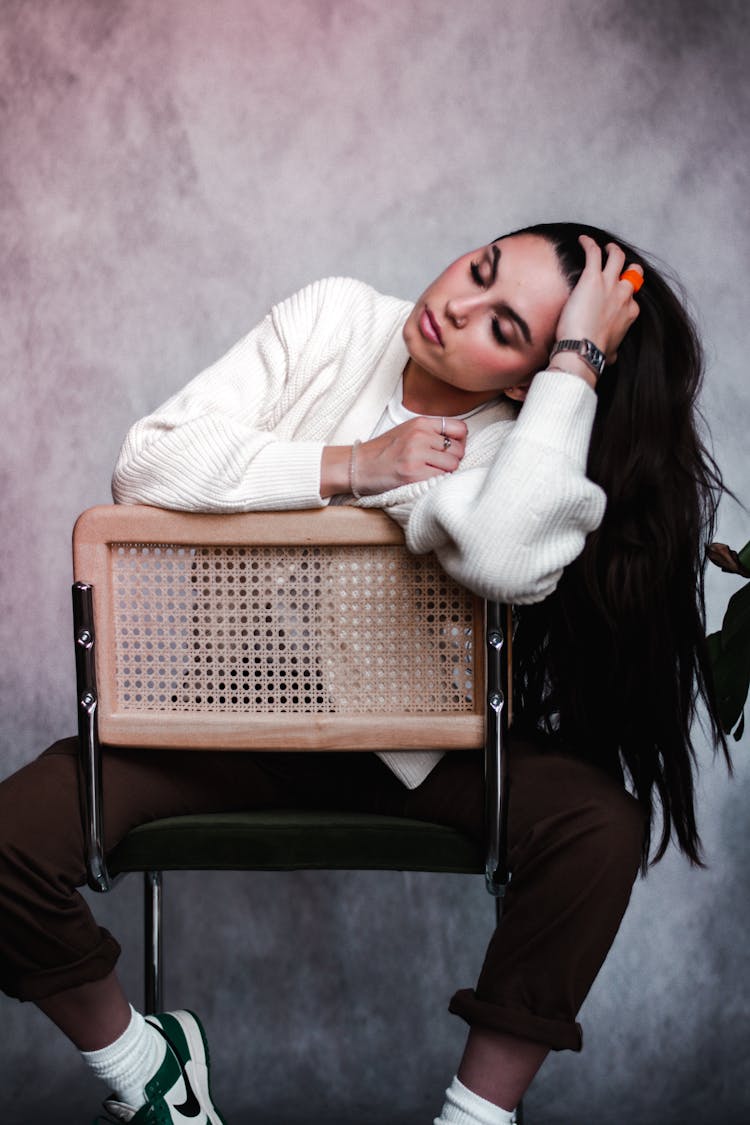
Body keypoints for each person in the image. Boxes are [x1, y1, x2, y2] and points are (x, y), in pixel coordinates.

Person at [0, 223, 726, 1125]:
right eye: (480, 268)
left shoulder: (516, 440)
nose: (457, 305)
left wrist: (574, 362)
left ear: (521, 377)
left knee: (599, 827)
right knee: (8, 837)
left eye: (505, 328)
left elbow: (504, 554)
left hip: (409, 756)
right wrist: (351, 468)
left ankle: (474, 1115)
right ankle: (146, 1067)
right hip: (223, 729)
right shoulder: (336, 318)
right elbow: (146, 460)